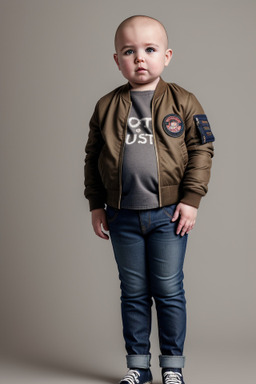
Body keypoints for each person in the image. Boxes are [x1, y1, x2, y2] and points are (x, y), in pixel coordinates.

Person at [84, 15, 214, 384]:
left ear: (167, 55)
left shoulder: (183, 101)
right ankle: (138, 367)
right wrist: (96, 203)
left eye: (150, 49)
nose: (140, 58)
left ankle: (172, 366)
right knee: (134, 291)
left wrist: (191, 199)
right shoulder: (106, 106)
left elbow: (202, 150)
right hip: (122, 215)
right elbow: (92, 157)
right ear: (117, 60)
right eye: (130, 51)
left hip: (169, 215)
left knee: (169, 289)